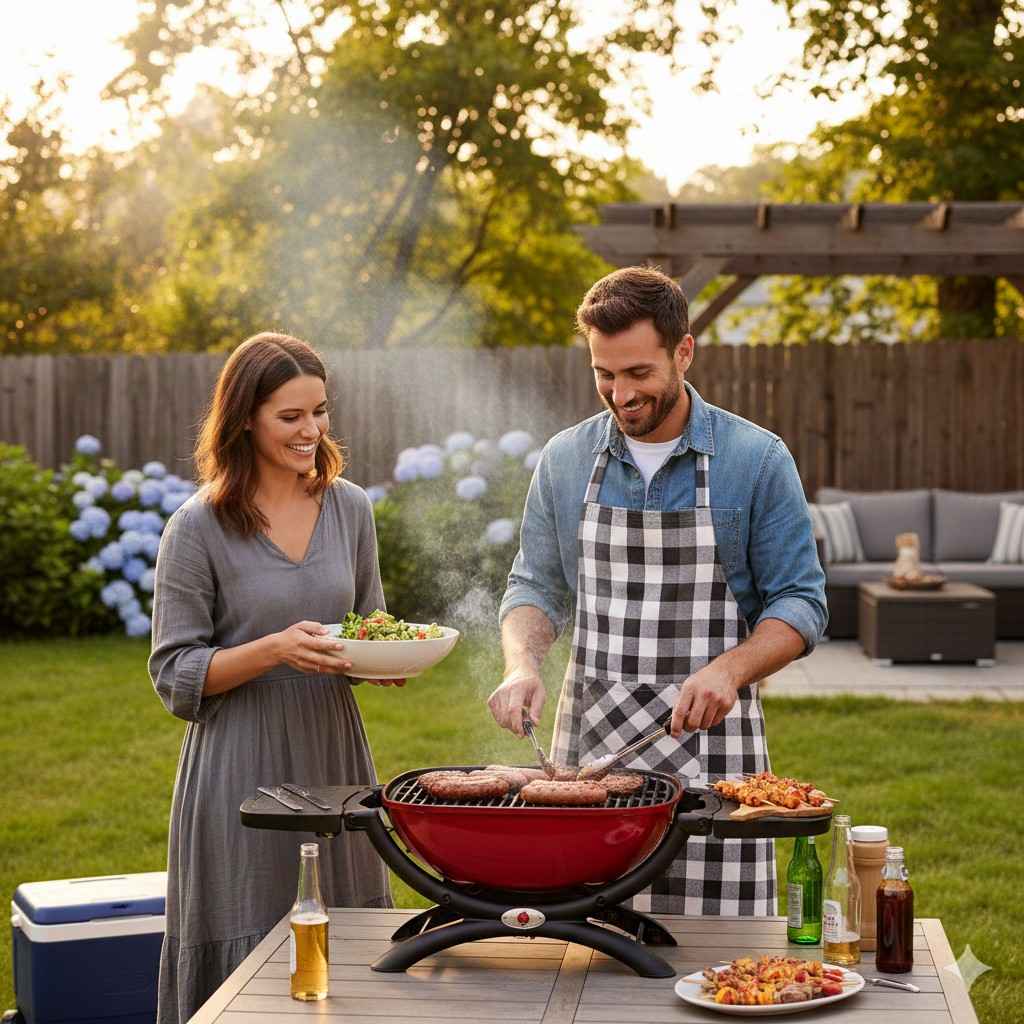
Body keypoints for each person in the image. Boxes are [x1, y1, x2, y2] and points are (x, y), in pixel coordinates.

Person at [487, 267, 826, 916]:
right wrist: (521, 663)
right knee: (588, 944)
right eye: (604, 375)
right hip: (590, 749)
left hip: (714, 745)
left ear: (684, 351)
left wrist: (730, 670)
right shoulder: (564, 459)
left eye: (639, 373)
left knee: (719, 953)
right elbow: (534, 586)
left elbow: (800, 603)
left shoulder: (755, 460)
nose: (620, 395)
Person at [149, 332, 399, 1023]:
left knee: (346, 938)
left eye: (319, 411)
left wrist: (380, 660)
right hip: (240, 763)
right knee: (250, 932)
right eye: (290, 416)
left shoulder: (350, 507)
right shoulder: (196, 527)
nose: (311, 430)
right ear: (245, 421)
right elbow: (174, 672)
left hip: (332, 751)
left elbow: (367, 621)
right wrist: (273, 651)